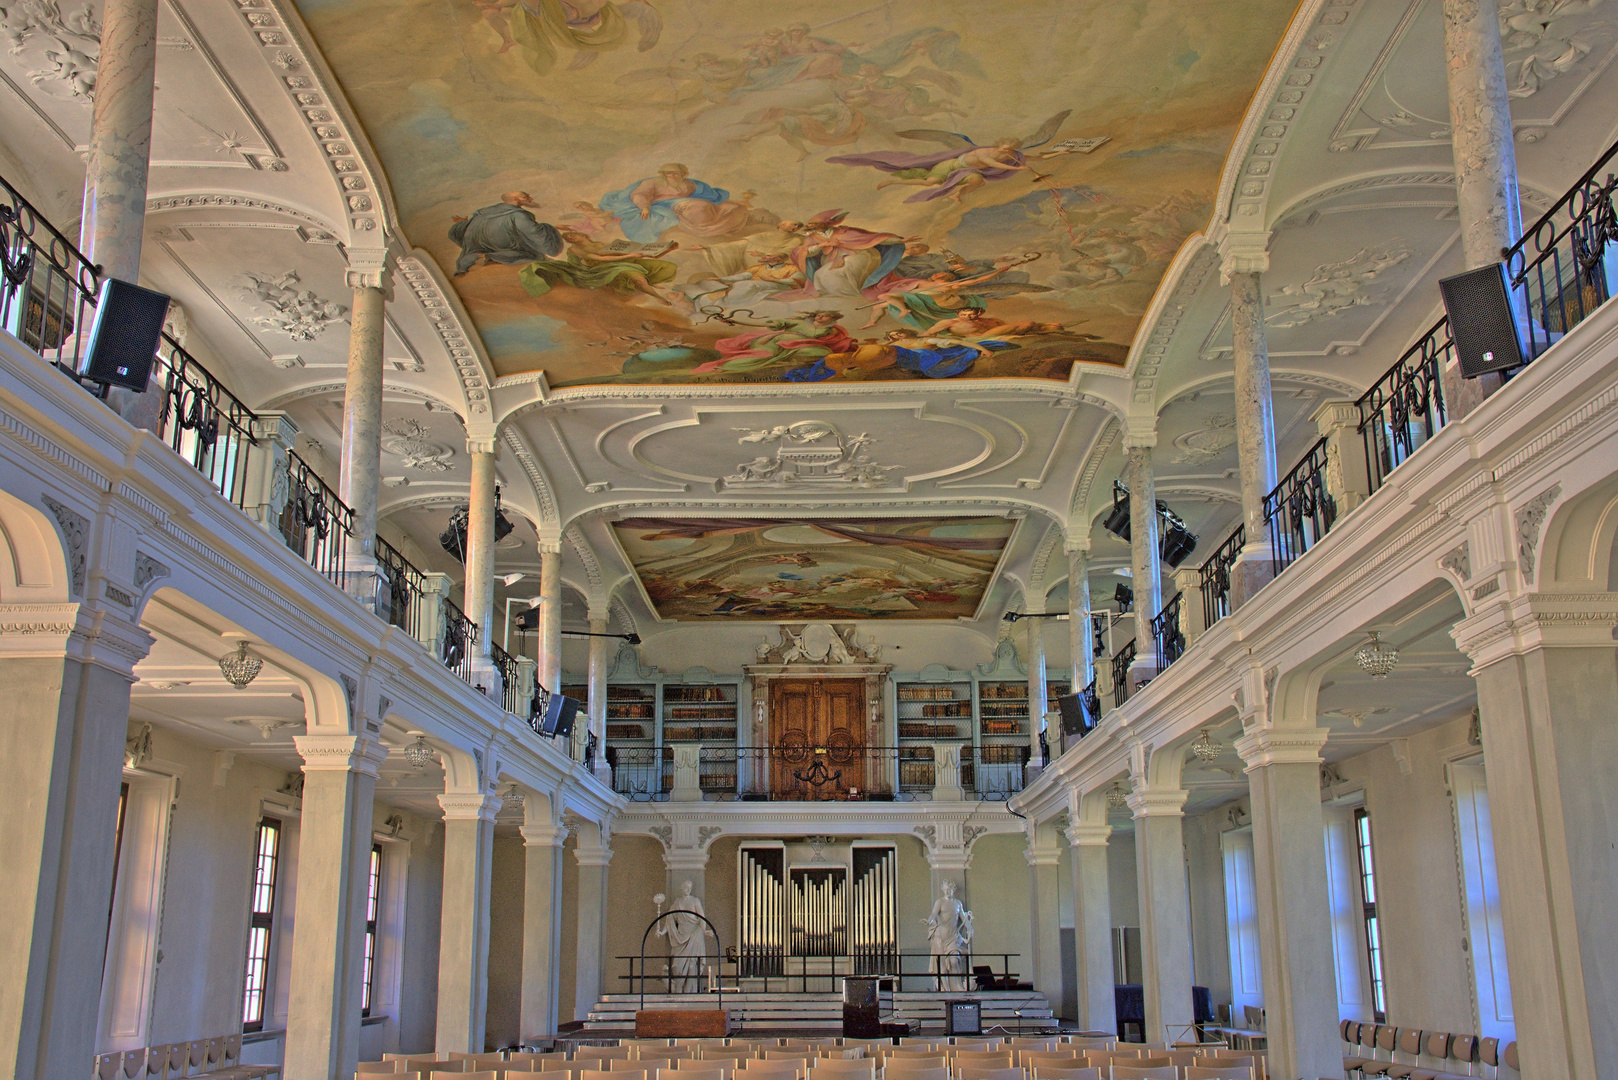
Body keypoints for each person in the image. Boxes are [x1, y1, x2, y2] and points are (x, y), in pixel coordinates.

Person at [448, 192, 563, 275]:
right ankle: (492, 256)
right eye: (525, 197)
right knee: (532, 256)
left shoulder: (482, 214)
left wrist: (462, 223)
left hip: (478, 247)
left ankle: (474, 258)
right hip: (505, 248)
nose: (530, 198)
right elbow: (534, 232)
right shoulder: (519, 215)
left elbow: (460, 231)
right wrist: (549, 228)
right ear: (515, 200)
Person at [657, 880, 711, 992]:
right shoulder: (677, 902)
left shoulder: (695, 901)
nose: (687, 889)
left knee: (692, 964)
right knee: (677, 965)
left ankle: (688, 991)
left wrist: (704, 930)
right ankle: (678, 989)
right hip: (680, 936)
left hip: (695, 934)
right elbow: (670, 919)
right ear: (681, 888)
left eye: (689, 888)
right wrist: (662, 932)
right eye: (685, 887)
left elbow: (701, 917)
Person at [923, 879, 973, 992]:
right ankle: (945, 989)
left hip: (953, 936)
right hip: (940, 937)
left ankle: (957, 986)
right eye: (945, 890)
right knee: (943, 966)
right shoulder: (939, 902)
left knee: (954, 961)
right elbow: (933, 914)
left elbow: (964, 919)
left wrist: (970, 928)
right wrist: (929, 921)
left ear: (953, 890)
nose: (946, 892)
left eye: (949, 890)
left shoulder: (958, 903)